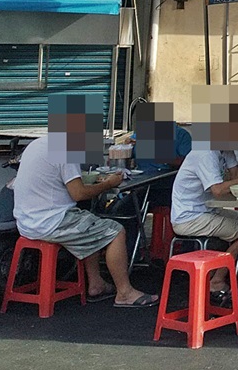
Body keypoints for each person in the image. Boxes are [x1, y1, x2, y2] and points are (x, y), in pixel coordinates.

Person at [12, 126, 157, 307]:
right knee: (115, 231)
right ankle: (125, 293)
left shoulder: (37, 145)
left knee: (91, 221)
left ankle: (96, 284)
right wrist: (109, 184)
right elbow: (79, 194)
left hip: (27, 221)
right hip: (51, 222)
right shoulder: (64, 151)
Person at [171, 144, 238, 299]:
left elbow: (237, 177)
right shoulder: (205, 153)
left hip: (208, 209)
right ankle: (217, 280)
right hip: (189, 216)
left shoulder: (225, 150)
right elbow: (218, 190)